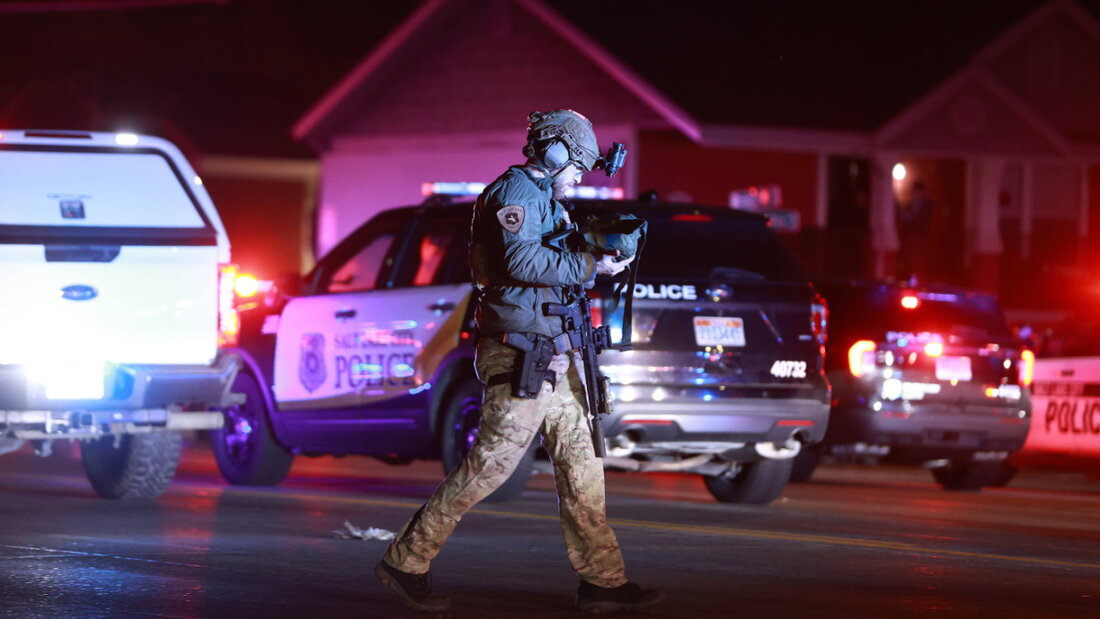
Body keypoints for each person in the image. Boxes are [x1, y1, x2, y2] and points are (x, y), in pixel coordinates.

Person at [375, 110, 663, 614]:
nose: (579, 175)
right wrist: (591, 264)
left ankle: (603, 583)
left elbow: (553, 262)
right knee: (491, 465)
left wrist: (597, 250)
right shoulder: (513, 194)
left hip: (560, 355)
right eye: (577, 164)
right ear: (553, 152)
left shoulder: (549, 200)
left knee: (583, 467)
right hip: (522, 354)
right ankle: (406, 561)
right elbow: (520, 262)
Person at [898, 180, 934, 280]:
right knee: (915, 260)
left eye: (915, 192)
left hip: (918, 236)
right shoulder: (921, 203)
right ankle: (916, 280)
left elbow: (911, 217)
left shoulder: (923, 203)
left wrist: (902, 213)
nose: (914, 194)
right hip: (917, 236)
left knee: (916, 260)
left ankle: (916, 281)